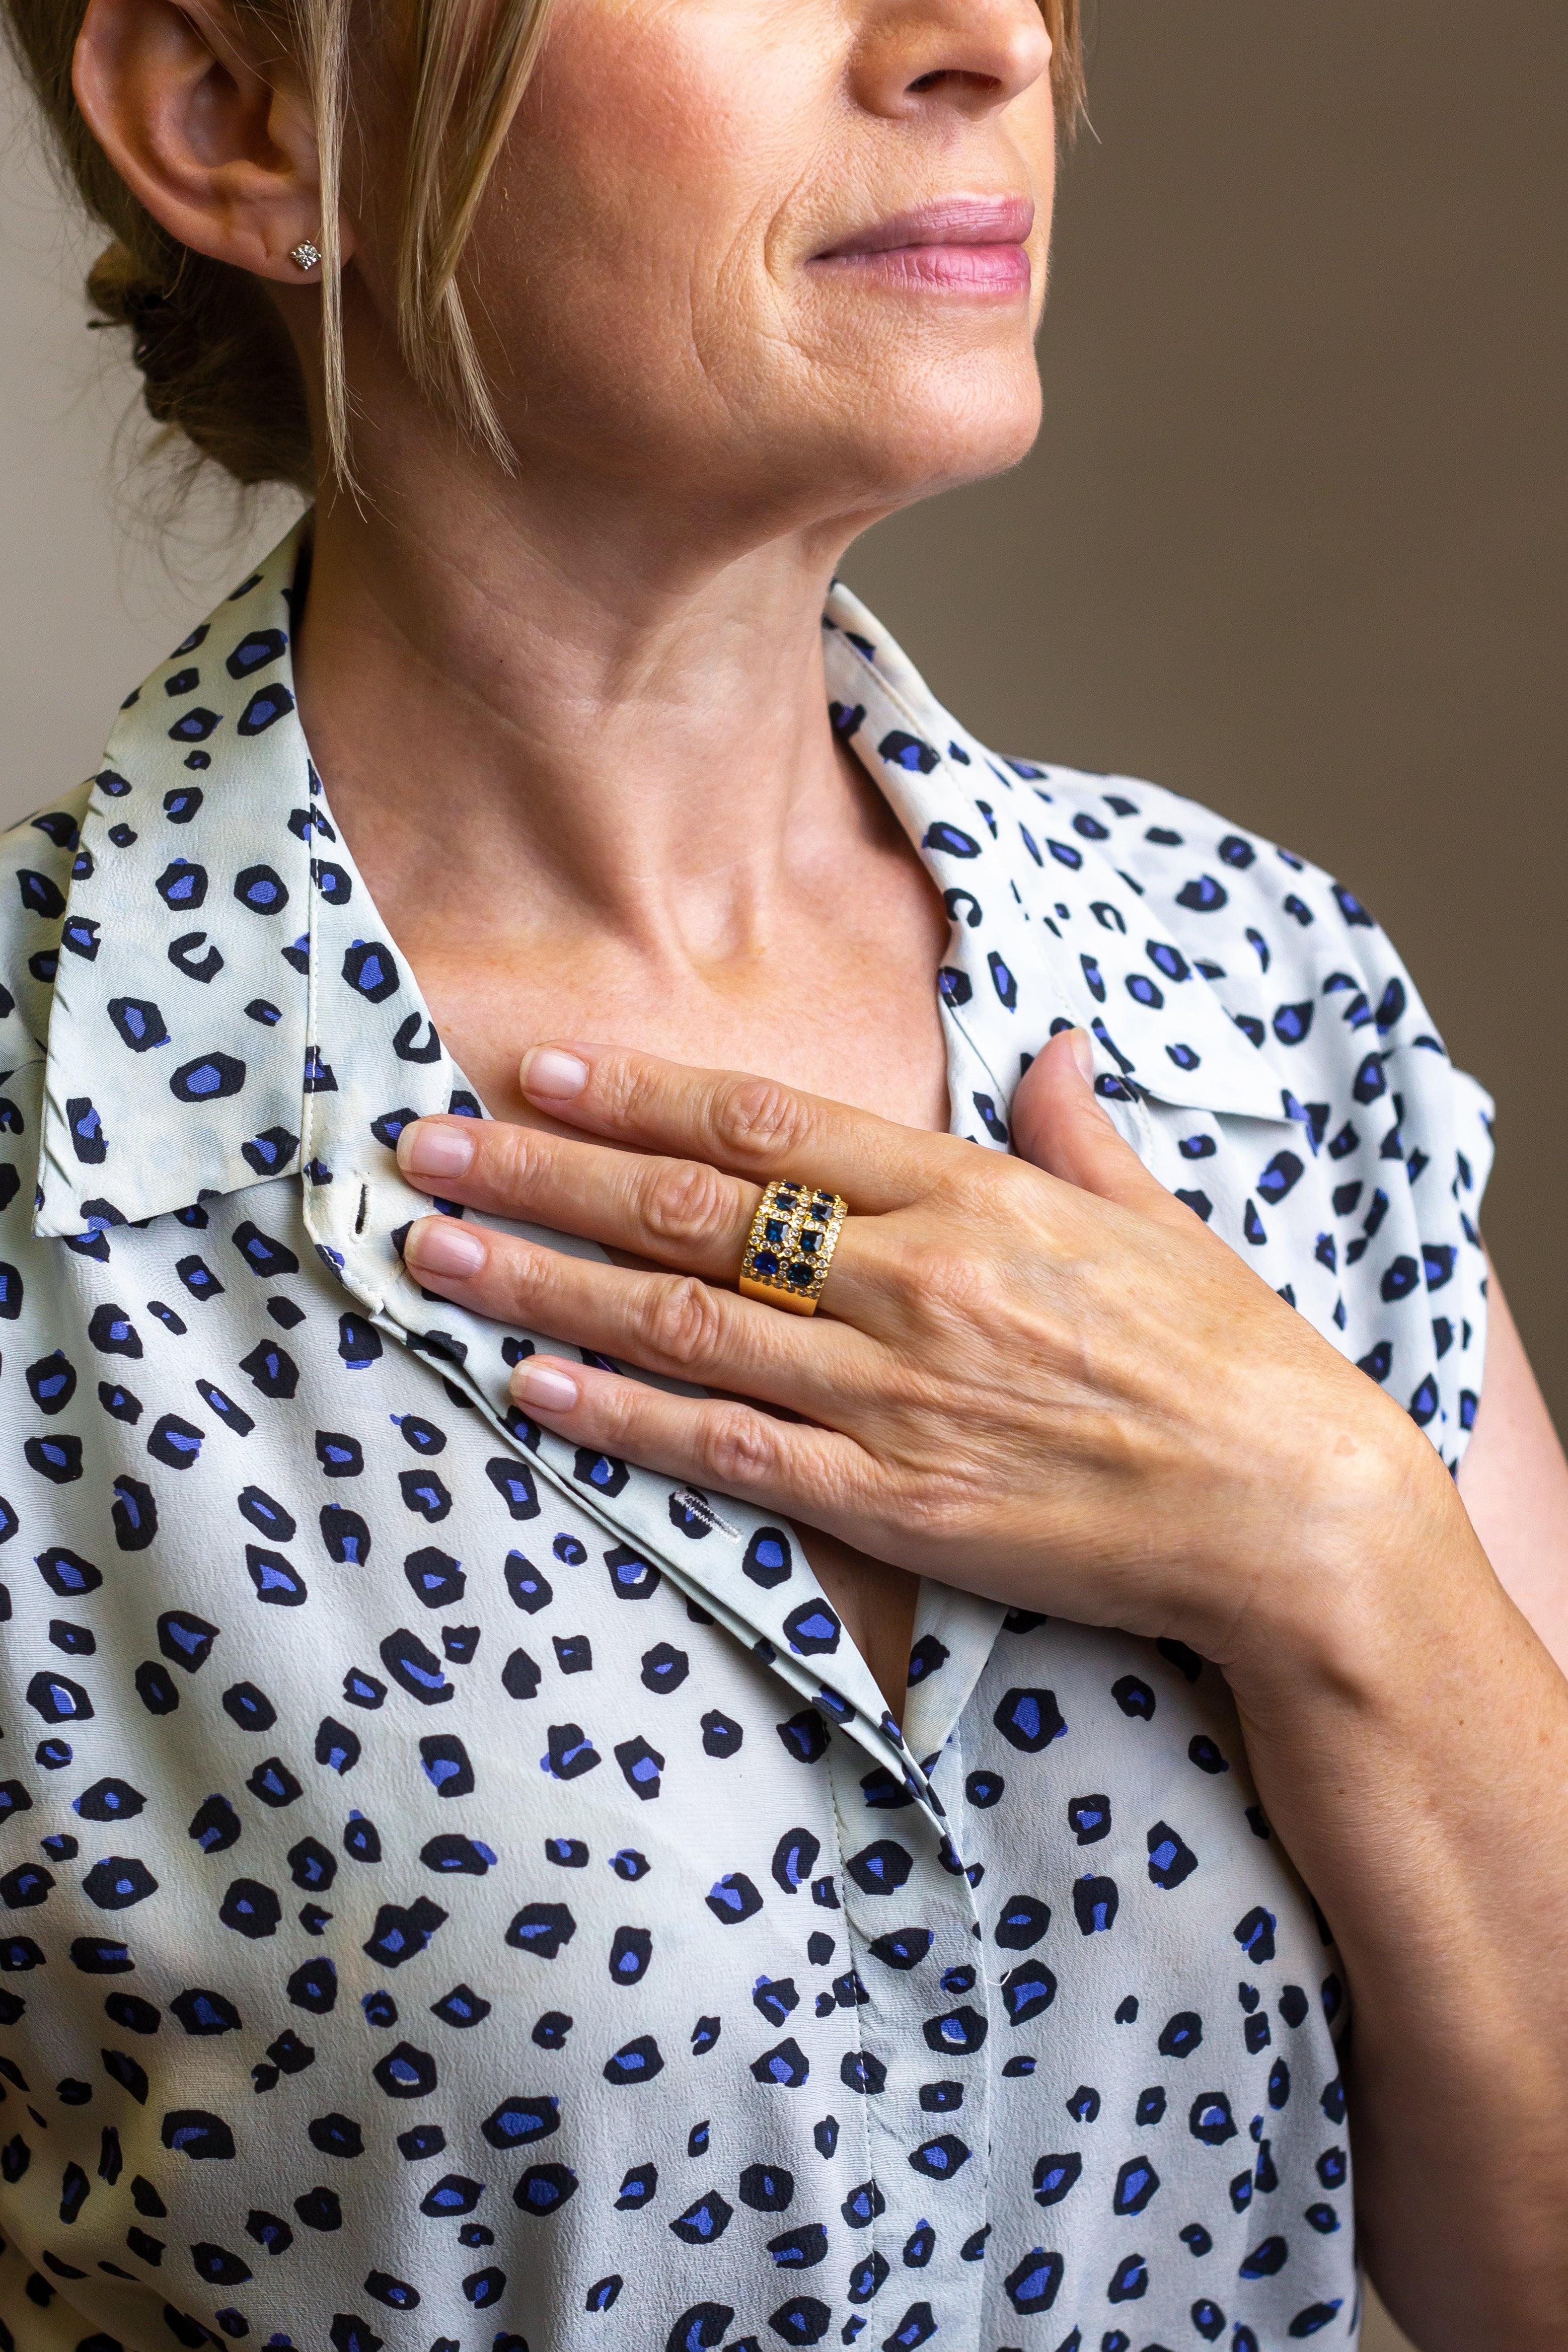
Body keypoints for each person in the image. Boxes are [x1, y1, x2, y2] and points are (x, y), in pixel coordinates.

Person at [1, 0, 1565, 2347]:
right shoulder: (46, 1192)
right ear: (234, 117)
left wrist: (1335, 1534)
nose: (982, 41)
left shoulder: (1261, 1002)